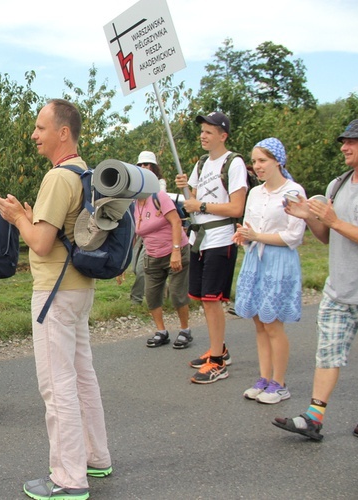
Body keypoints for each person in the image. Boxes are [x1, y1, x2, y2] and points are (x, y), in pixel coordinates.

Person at [0, 99, 112, 500]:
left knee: (56, 384)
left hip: (54, 292)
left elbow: (42, 244)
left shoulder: (57, 178)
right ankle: (96, 457)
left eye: (40, 128)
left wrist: (16, 218)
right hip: (79, 288)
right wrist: (29, 218)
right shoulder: (84, 173)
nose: (34, 135)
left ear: (64, 132)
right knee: (82, 377)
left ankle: (67, 478)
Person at [273, 118, 358, 440]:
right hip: (338, 291)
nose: (344, 147)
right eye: (344, 141)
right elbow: (327, 236)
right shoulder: (336, 186)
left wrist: (333, 220)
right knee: (327, 353)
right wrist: (309, 218)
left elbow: (343, 227)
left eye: (352, 142)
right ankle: (313, 418)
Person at [175, 111, 248, 384]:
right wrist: (186, 190)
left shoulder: (234, 163)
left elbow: (236, 207)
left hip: (221, 238)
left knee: (212, 300)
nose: (203, 135)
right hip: (200, 239)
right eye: (202, 131)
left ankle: (217, 362)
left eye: (209, 131)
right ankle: (219, 349)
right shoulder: (202, 163)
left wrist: (200, 205)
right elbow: (192, 200)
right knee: (204, 300)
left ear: (223, 135)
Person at [232, 138, 306, 404]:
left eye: (262, 160)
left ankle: (280, 383)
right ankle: (263, 378)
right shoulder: (255, 192)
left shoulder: (293, 191)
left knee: (273, 324)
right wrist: (244, 236)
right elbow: (250, 227)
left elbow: (294, 236)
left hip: (278, 261)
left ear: (278, 161)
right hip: (256, 259)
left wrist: (257, 235)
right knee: (259, 324)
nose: (257, 166)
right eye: (254, 161)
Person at [134, 178, 192, 350]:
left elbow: (176, 221)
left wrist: (175, 251)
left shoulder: (159, 197)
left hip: (175, 251)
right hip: (152, 255)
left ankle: (185, 330)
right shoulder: (134, 203)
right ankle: (161, 332)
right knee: (151, 295)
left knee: (176, 293)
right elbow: (136, 231)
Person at [123, 151, 168, 305]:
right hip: (139, 229)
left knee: (143, 269)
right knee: (135, 267)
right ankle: (164, 292)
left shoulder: (159, 183)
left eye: (146, 164)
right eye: (141, 164)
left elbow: (159, 200)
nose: (143, 167)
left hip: (154, 231)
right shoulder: (136, 183)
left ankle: (136, 300)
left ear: (153, 166)